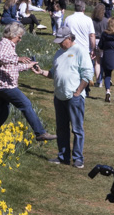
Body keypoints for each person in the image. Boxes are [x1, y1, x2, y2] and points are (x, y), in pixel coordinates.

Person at [0, 23, 57, 142]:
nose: (20, 39)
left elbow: (10, 66)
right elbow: (0, 58)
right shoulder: (4, 43)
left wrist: (27, 65)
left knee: (3, 112)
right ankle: (40, 133)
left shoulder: (8, 44)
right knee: (26, 104)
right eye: (19, 36)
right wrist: (18, 59)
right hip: (4, 84)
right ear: (13, 35)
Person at [35, 26, 93, 168]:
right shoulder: (58, 53)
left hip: (74, 97)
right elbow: (54, 73)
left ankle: (78, 158)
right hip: (59, 96)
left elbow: (87, 74)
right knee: (61, 128)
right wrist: (41, 72)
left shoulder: (80, 51)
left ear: (69, 38)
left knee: (77, 129)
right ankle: (63, 157)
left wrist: (78, 91)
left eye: (62, 41)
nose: (60, 44)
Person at [91, 4, 108, 87]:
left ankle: (98, 81)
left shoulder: (92, 21)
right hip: (103, 42)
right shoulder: (106, 21)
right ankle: (104, 78)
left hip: (94, 40)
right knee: (103, 62)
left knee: (97, 63)